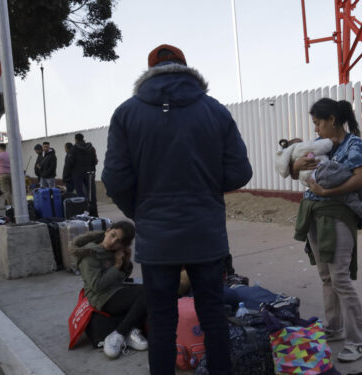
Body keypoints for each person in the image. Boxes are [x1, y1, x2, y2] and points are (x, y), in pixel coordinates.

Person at [102, 43, 252, 375]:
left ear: (149, 72)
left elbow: (114, 179)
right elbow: (240, 172)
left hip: (157, 238)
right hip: (206, 233)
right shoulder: (214, 111)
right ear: (186, 69)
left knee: (161, 320)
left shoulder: (126, 113)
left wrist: (141, 211)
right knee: (213, 316)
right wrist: (207, 191)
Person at [290, 98, 362, 362]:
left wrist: (327, 191)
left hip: (338, 216)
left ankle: (360, 339)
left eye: (318, 123)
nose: (316, 129)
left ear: (332, 120)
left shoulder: (353, 145)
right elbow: (294, 169)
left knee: (339, 278)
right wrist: (297, 166)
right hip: (314, 216)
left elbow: (360, 178)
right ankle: (334, 327)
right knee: (326, 276)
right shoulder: (318, 146)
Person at [72, 221, 148, 359]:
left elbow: (120, 279)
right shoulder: (89, 254)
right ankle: (119, 333)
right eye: (112, 235)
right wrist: (117, 265)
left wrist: (125, 261)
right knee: (146, 292)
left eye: (118, 241)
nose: (112, 242)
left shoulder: (111, 252)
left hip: (115, 292)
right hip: (101, 298)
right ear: (107, 231)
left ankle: (129, 332)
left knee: (149, 292)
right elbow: (97, 285)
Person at [276, 138, 362, 228]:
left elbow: (294, 175)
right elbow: (324, 146)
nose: (316, 128)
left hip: (318, 183)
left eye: (317, 123)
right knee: (353, 179)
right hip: (324, 173)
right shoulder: (302, 147)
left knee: (348, 197)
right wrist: (330, 142)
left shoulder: (351, 142)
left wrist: (295, 166)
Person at [71, 133, 98, 216]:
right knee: (91, 195)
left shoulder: (74, 149)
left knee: (80, 195)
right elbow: (95, 161)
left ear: (76, 139)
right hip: (89, 173)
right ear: (83, 139)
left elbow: (70, 163)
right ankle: (94, 214)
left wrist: (68, 174)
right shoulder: (91, 148)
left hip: (78, 175)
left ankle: (84, 215)